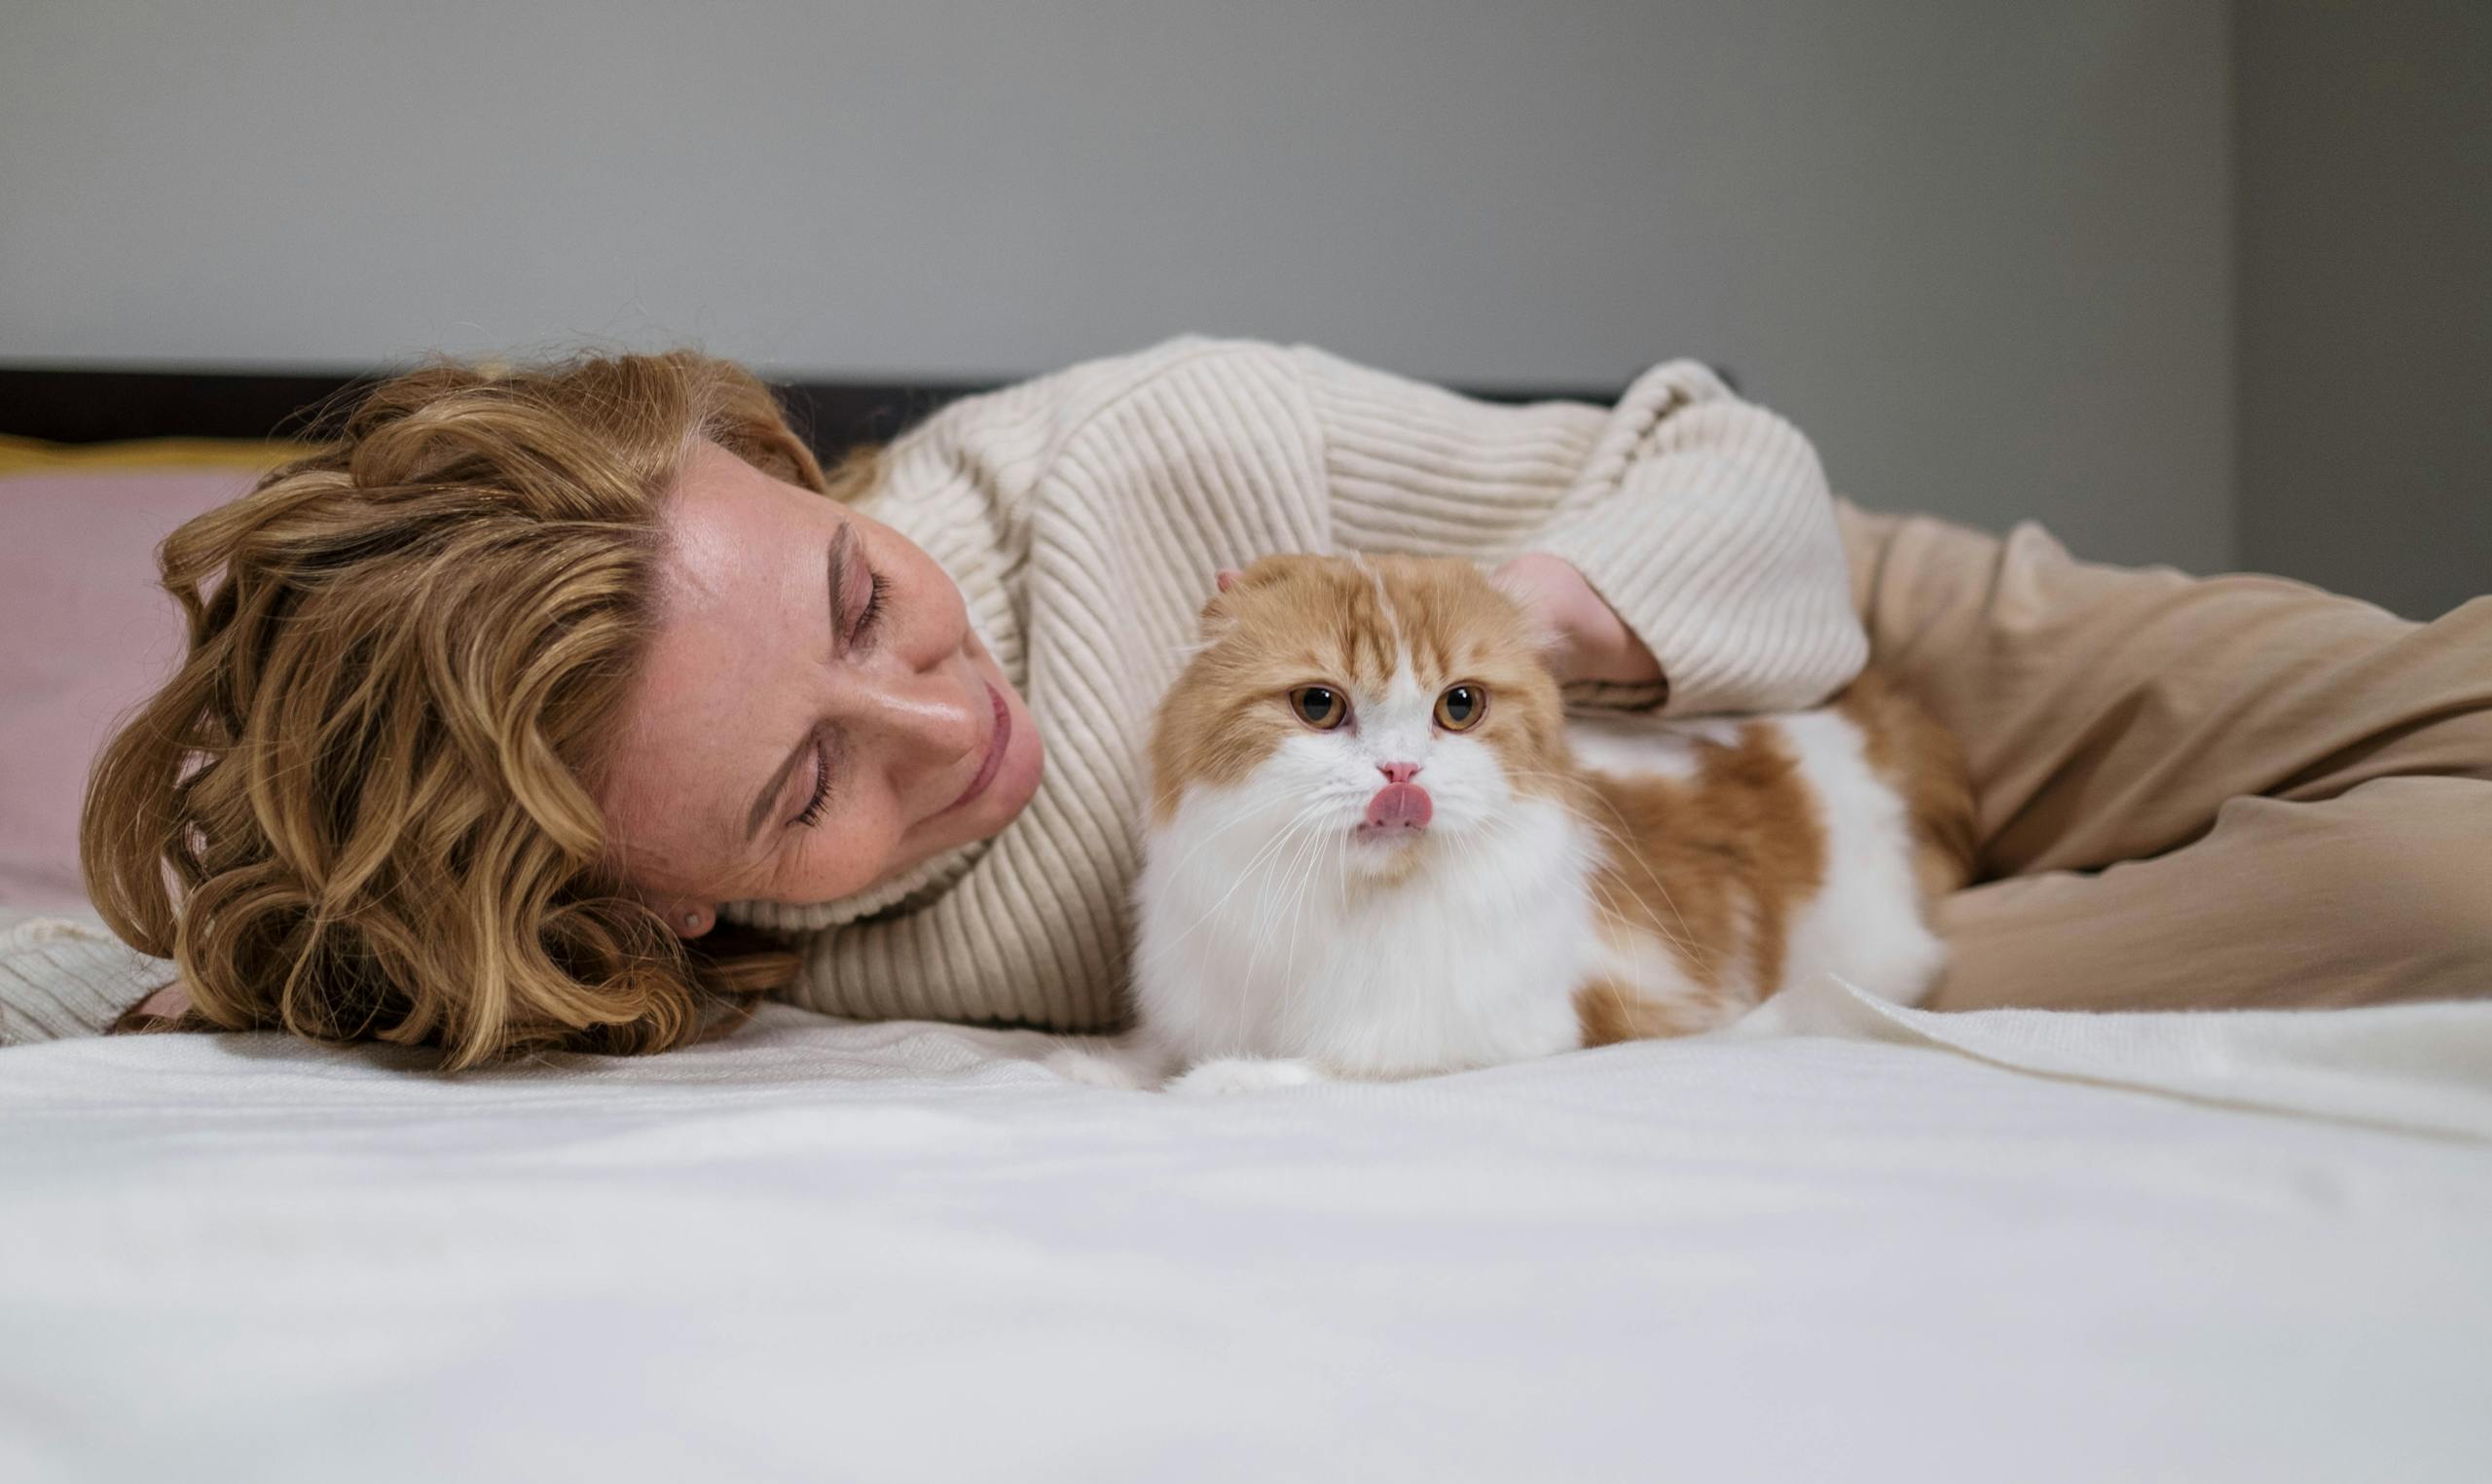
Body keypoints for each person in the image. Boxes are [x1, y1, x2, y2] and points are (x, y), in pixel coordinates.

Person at [34, 339, 2489, 1064]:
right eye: (804, 790)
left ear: (802, 469)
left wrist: (1509, 644)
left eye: (866, 595)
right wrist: (215, 968)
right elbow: (126, 963)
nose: (945, 728)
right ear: (650, 921)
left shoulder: (1152, 451)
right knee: (2430, 884)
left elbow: (1728, 464)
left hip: (1783, 617)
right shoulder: (724, 970)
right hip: (1683, 889)